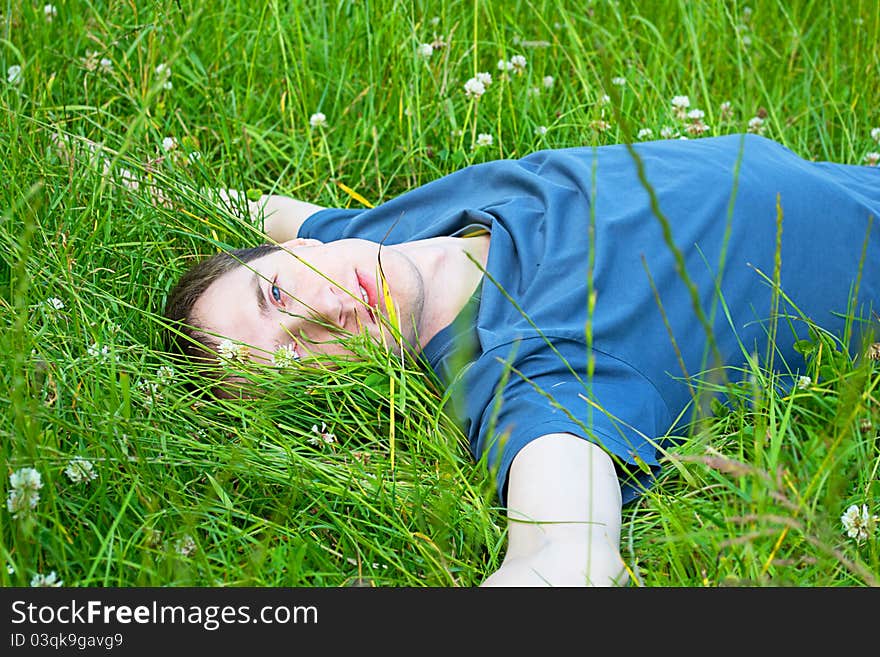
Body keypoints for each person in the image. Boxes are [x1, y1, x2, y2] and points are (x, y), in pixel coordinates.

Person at [162, 133, 880, 586]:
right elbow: (565, 556)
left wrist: (80, 156)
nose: (326, 312)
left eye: (278, 292)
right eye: (297, 358)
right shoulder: (522, 382)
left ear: (298, 253)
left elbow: (260, 207)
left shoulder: (369, 238)